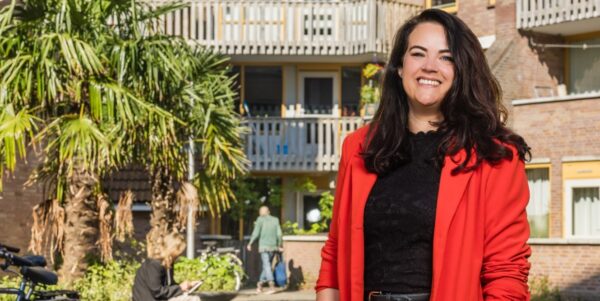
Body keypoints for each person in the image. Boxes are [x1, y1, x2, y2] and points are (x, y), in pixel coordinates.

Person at [316, 9, 532, 301]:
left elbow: (506, 272)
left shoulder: (494, 156)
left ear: (461, 71)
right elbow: (335, 252)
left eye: (446, 57)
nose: (430, 66)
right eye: (418, 53)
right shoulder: (358, 147)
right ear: (400, 67)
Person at [133, 232, 201, 301]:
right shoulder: (154, 264)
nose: (180, 255)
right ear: (172, 249)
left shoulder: (168, 262)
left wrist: (188, 286)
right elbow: (158, 292)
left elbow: (169, 285)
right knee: (194, 299)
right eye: (179, 253)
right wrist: (180, 288)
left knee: (193, 297)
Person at [246, 205, 283, 294]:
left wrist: (250, 243)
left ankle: (271, 286)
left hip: (264, 247)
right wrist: (279, 245)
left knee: (266, 266)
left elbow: (256, 233)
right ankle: (260, 285)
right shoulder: (275, 220)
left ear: (261, 212)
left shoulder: (260, 220)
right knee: (267, 266)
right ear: (268, 211)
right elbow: (279, 234)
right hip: (273, 247)